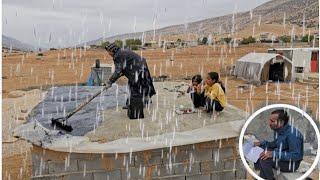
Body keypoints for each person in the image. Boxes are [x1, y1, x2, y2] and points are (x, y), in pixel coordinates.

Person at [104, 43, 156, 119]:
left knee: (135, 87)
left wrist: (110, 82)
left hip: (138, 69)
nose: (109, 53)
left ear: (113, 50)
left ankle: (135, 108)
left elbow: (118, 71)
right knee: (141, 84)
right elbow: (123, 68)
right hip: (140, 66)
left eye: (109, 51)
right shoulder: (121, 52)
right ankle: (136, 102)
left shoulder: (118, 55)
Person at [254, 109, 304, 180]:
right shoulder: (278, 130)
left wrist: (274, 154)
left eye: (272, 121)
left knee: (265, 159)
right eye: (270, 120)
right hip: (282, 156)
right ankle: (261, 175)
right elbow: (276, 144)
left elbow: (296, 155)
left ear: (281, 122)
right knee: (260, 150)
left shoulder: (293, 135)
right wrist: (262, 143)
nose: (269, 123)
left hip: (291, 164)